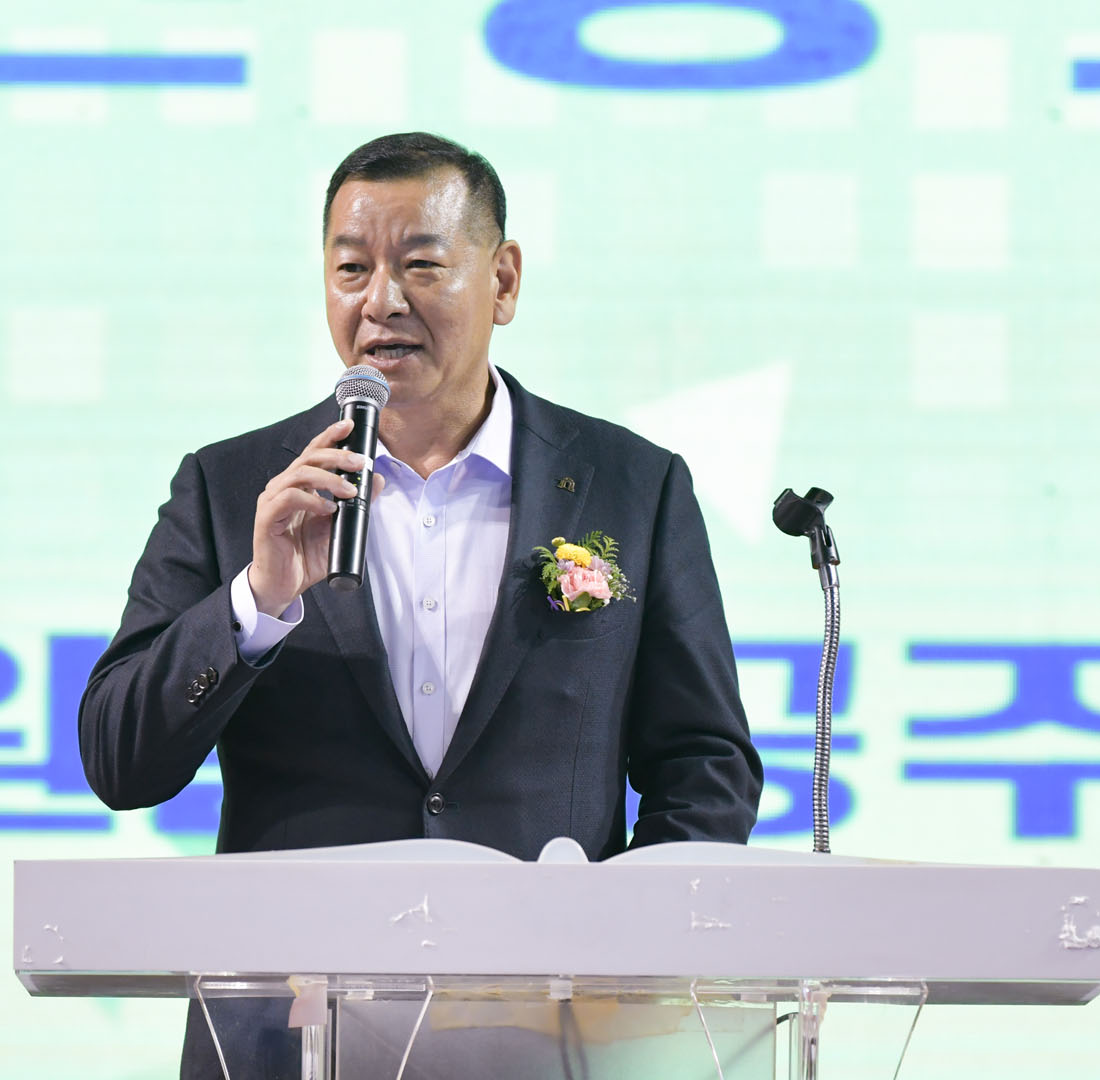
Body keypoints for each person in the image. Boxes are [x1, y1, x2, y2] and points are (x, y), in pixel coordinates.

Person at [78, 132, 762, 1077]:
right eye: (351, 269)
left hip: (553, 1036)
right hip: (288, 1036)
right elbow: (119, 761)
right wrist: (255, 602)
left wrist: (628, 964)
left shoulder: (631, 487)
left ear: (504, 280)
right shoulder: (233, 487)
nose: (380, 302)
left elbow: (704, 764)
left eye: (421, 266)